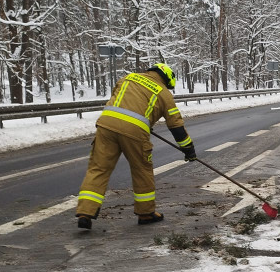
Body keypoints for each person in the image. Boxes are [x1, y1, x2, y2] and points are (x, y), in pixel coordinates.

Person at [75, 62, 196, 230]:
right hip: (135, 132)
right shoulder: (164, 93)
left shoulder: (128, 78)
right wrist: (188, 149)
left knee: (98, 168)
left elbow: (119, 98)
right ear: (167, 79)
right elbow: (175, 125)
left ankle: (85, 212)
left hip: (106, 125)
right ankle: (145, 213)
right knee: (141, 170)